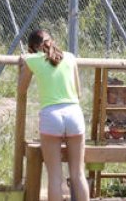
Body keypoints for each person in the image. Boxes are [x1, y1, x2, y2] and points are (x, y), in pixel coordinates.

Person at [19, 29, 87, 201]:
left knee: (54, 176)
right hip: (74, 113)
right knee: (78, 174)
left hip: (51, 116)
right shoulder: (70, 57)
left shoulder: (30, 59)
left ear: (31, 48)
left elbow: (21, 89)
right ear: (53, 41)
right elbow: (78, 92)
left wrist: (23, 62)